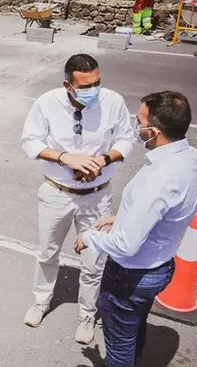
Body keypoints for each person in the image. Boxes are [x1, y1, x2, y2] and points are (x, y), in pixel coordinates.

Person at [68, 91, 197, 367]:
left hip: (132, 272)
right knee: (133, 329)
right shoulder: (193, 159)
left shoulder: (158, 179)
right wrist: (124, 216)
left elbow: (126, 245)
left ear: (153, 133)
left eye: (139, 123)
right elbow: (170, 208)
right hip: (159, 263)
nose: (136, 126)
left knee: (119, 340)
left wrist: (90, 237)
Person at [20, 54, 137, 344]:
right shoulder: (47, 103)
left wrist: (102, 160)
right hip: (56, 193)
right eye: (86, 86)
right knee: (48, 253)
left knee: (94, 259)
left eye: (97, 82)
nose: (94, 90)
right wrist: (65, 158)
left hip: (97, 197)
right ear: (68, 85)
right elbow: (30, 141)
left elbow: (127, 139)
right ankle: (41, 301)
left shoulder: (113, 102)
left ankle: (87, 314)